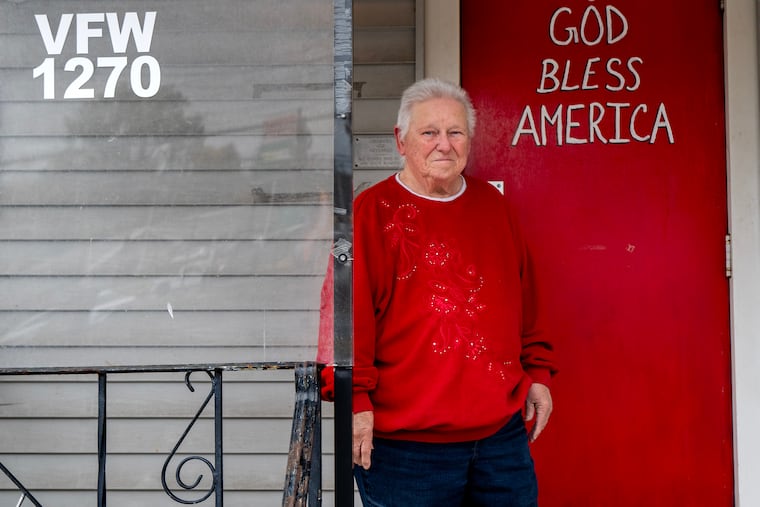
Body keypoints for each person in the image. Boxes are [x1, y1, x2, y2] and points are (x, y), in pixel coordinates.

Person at [320, 77, 557, 506]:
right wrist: (355, 401)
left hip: (500, 440)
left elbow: (526, 300)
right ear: (401, 140)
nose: (443, 145)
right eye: (429, 132)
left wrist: (537, 371)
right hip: (406, 449)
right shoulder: (371, 212)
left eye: (455, 132)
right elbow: (345, 317)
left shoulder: (495, 207)